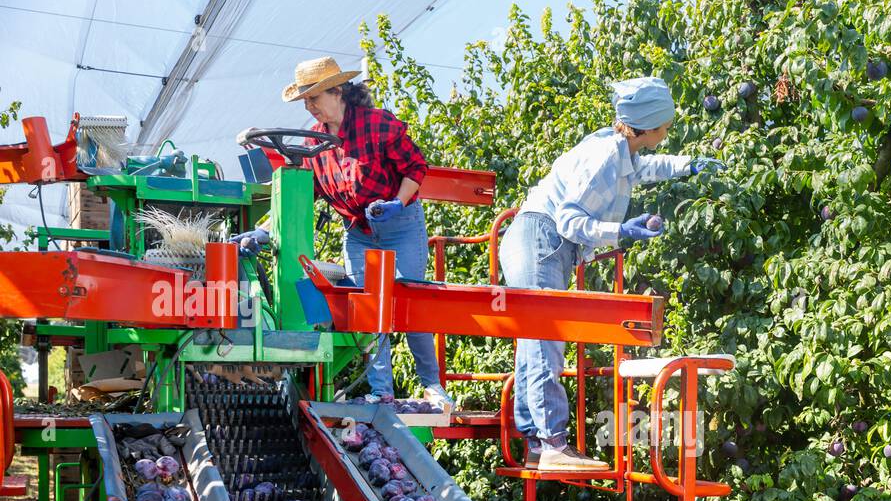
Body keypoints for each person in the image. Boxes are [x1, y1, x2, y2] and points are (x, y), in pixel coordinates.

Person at [498, 76, 724, 471]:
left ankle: (535, 440)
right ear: (650, 125)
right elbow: (569, 219)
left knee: (535, 339)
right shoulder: (604, 156)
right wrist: (620, 231)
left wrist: (690, 165)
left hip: (539, 239)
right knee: (544, 338)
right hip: (542, 236)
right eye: (666, 125)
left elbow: (647, 167)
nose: (669, 131)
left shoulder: (620, 150)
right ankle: (552, 443)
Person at [242, 57, 453, 410]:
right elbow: (301, 198)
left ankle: (432, 386)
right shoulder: (315, 145)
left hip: (400, 225)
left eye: (314, 98)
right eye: (305, 101)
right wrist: (264, 231)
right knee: (367, 310)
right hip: (358, 232)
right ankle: (381, 391)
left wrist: (398, 203)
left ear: (338, 91)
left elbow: (415, 167)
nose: (309, 107)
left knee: (411, 303)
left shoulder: (378, 124)